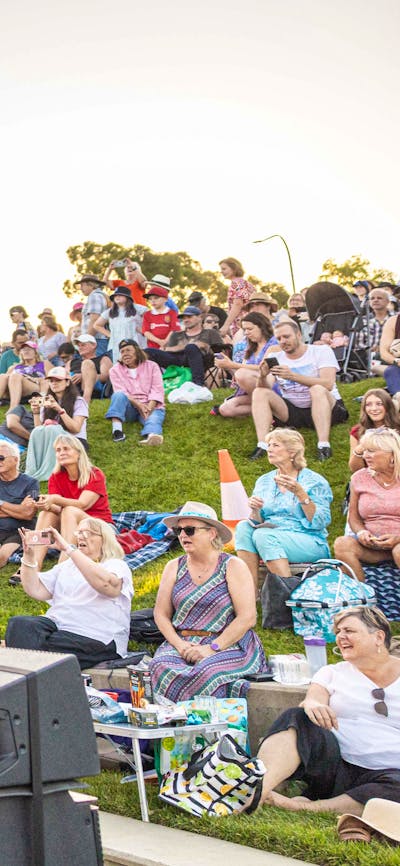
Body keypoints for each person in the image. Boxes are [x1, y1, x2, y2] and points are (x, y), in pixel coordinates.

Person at [251, 607, 400, 814]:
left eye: (349, 630)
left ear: (378, 636)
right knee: (296, 717)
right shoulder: (331, 673)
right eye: (338, 632)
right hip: (335, 765)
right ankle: (255, 792)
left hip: (390, 775)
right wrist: (314, 705)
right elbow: (313, 699)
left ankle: (311, 807)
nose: (341, 637)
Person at [150, 502, 268, 700]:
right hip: (183, 641)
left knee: (205, 671)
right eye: (179, 530)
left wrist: (211, 648)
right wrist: (180, 646)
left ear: (212, 533)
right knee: (159, 665)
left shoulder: (232, 566)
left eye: (190, 530)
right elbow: (161, 614)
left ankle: (209, 727)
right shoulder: (173, 566)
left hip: (228, 643)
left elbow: (247, 618)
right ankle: (171, 725)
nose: (183, 535)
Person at [5, 518, 133, 670]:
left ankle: (25, 674)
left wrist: (69, 549)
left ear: (104, 539)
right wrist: (29, 555)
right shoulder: (67, 566)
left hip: (96, 637)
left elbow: (107, 585)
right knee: (19, 624)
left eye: (88, 532)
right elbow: (35, 589)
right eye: (79, 532)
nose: (81, 536)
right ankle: (31, 674)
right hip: (58, 627)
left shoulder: (115, 565)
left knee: (33, 643)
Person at [235, 430, 332, 594]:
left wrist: (301, 494)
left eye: (275, 445)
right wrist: (255, 510)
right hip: (271, 535)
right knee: (244, 527)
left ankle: (285, 596)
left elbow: (320, 521)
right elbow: (257, 522)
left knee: (264, 535)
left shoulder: (314, 481)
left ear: (292, 452)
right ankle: (250, 594)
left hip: (309, 539)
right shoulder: (264, 480)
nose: (269, 449)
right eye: (269, 445)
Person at [249, 320, 348, 461]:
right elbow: (265, 389)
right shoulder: (276, 358)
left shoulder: (320, 351)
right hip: (294, 410)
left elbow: (328, 384)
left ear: (299, 335)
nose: (283, 341)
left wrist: (293, 376)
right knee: (259, 392)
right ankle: (263, 445)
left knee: (317, 389)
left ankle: (324, 445)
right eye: (279, 338)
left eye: (286, 336)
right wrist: (262, 376)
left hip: (328, 407)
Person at [32, 434, 113, 572]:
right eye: (58, 450)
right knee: (46, 513)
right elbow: (58, 509)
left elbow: (83, 504)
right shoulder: (56, 477)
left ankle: (62, 567)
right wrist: (45, 504)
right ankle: (34, 564)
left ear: (78, 453)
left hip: (100, 525)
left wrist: (55, 499)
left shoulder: (94, 474)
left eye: (66, 449)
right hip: (71, 525)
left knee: (69, 510)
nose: (61, 453)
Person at [334, 428, 400, 581]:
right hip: (372, 546)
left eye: (371, 451)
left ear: (391, 455)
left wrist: (398, 538)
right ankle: (361, 598)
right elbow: (354, 518)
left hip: (398, 544)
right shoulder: (359, 477)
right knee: (342, 544)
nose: (365, 456)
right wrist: (361, 533)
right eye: (365, 451)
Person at [25, 368, 89, 481]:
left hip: (75, 441)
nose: (54, 383)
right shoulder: (46, 401)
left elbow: (76, 428)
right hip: (53, 442)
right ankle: (33, 471)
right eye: (51, 381)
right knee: (39, 431)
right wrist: (35, 412)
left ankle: (50, 471)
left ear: (67, 382)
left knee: (53, 429)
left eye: (58, 380)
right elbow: (39, 432)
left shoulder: (79, 401)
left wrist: (59, 410)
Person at [215, 313, 277, 419]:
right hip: (252, 390)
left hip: (271, 386)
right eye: (245, 330)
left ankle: (273, 406)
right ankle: (268, 409)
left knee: (243, 374)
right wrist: (228, 366)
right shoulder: (251, 347)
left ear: (262, 326)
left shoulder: (274, 344)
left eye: (250, 329)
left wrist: (232, 364)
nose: (247, 333)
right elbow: (240, 372)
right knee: (225, 409)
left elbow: (264, 368)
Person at [105, 339, 165, 445]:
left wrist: (149, 408)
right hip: (130, 407)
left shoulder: (152, 366)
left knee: (154, 417)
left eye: (128, 350)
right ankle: (117, 431)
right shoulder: (115, 370)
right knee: (118, 395)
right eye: (122, 352)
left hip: (150, 404)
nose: (125, 354)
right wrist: (139, 405)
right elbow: (121, 391)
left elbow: (157, 388)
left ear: (137, 351)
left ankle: (151, 436)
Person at [147, 306, 224, 386]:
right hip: (178, 359)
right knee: (148, 351)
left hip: (202, 360)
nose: (186, 320)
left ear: (200, 317)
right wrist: (183, 347)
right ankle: (156, 384)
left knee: (191, 348)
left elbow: (221, 351)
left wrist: (206, 346)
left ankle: (198, 384)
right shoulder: (176, 334)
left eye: (189, 317)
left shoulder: (210, 333)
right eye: (184, 318)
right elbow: (167, 350)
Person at [0, 441, 38, 569]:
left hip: (19, 531)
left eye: (1, 458)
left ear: (15, 460)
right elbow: (22, 512)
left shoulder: (31, 483)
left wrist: (1, 504)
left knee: (1, 556)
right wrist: (18, 509)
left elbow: (28, 514)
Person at [348, 389, 400, 473]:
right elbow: (355, 469)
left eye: (379, 404)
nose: (374, 408)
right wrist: (359, 450)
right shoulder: (357, 431)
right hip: (370, 478)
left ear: (388, 406)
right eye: (368, 405)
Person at [94, 286, 147, 361]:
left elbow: (150, 320)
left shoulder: (139, 309)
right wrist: (110, 334)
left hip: (136, 342)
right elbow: (97, 325)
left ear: (127, 297)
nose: (117, 297)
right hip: (116, 344)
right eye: (115, 295)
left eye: (120, 295)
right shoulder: (110, 312)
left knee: (136, 363)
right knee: (118, 365)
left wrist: (143, 331)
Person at [0, 341, 51, 409]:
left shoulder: (44, 364)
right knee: (3, 376)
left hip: (34, 387)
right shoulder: (14, 367)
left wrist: (35, 379)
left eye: (29, 349)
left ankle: (13, 407)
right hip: (13, 389)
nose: (26, 351)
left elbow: (51, 379)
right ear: (21, 353)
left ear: (35, 353)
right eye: (24, 350)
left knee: (15, 376)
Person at [70, 334, 112, 404]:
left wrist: (84, 376)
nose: (80, 348)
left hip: (92, 389)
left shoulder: (103, 359)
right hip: (73, 388)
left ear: (94, 345)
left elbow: (106, 376)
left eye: (83, 345)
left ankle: (86, 400)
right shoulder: (73, 361)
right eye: (79, 346)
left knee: (87, 363)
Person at [219, 257, 255, 337]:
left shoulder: (236, 283)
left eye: (224, 269)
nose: (221, 272)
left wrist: (226, 325)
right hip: (252, 322)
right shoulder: (247, 283)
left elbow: (238, 304)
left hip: (242, 324)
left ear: (234, 268)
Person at [74, 274, 109, 355]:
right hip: (98, 339)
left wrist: (86, 339)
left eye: (83, 285)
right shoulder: (101, 295)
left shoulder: (94, 296)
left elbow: (94, 319)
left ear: (91, 284)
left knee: (94, 364)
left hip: (96, 340)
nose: (81, 288)